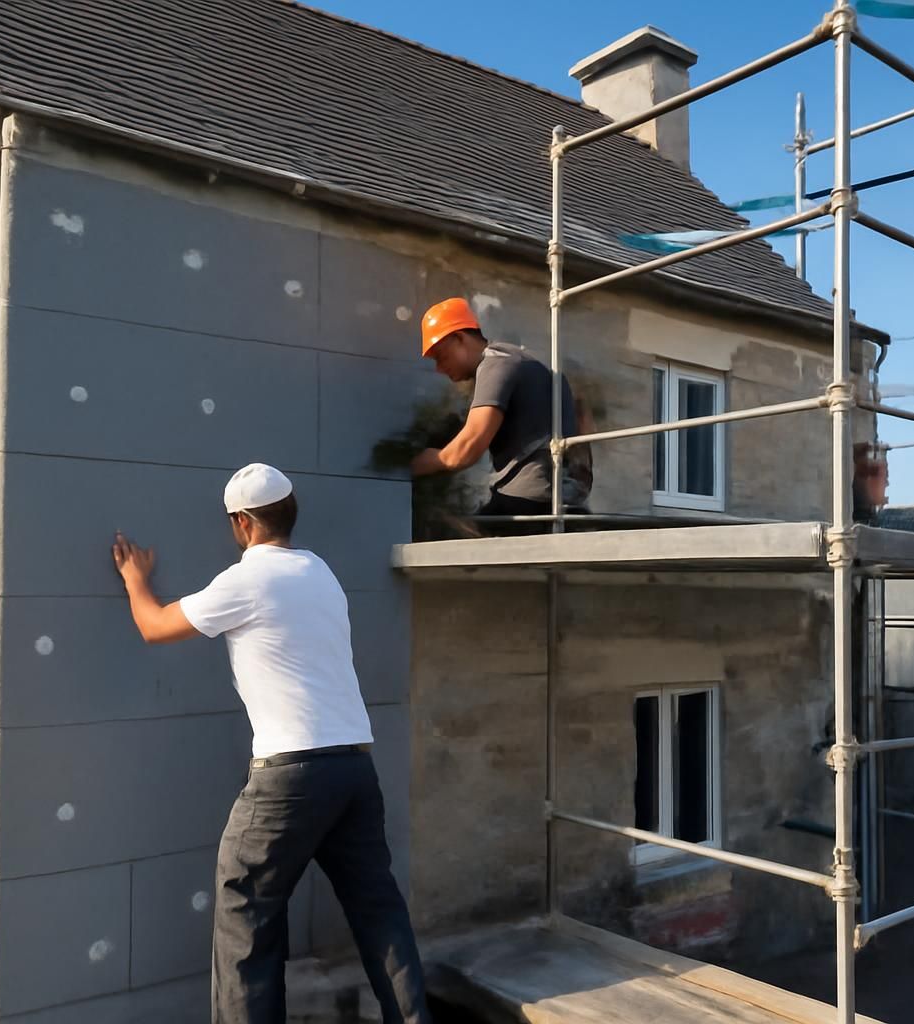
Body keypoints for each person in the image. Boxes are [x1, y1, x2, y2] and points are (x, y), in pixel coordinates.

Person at [110, 463, 431, 1024]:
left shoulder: (247, 580)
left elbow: (155, 626)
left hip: (291, 776)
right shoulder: (320, 572)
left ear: (242, 523)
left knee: (246, 914)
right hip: (355, 768)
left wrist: (136, 580)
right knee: (379, 912)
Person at [410, 297, 590, 518]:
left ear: (460, 338)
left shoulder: (495, 364)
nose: (439, 368)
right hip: (564, 496)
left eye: (441, 356)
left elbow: (466, 450)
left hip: (528, 499)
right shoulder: (520, 360)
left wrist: (418, 464)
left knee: (451, 532)